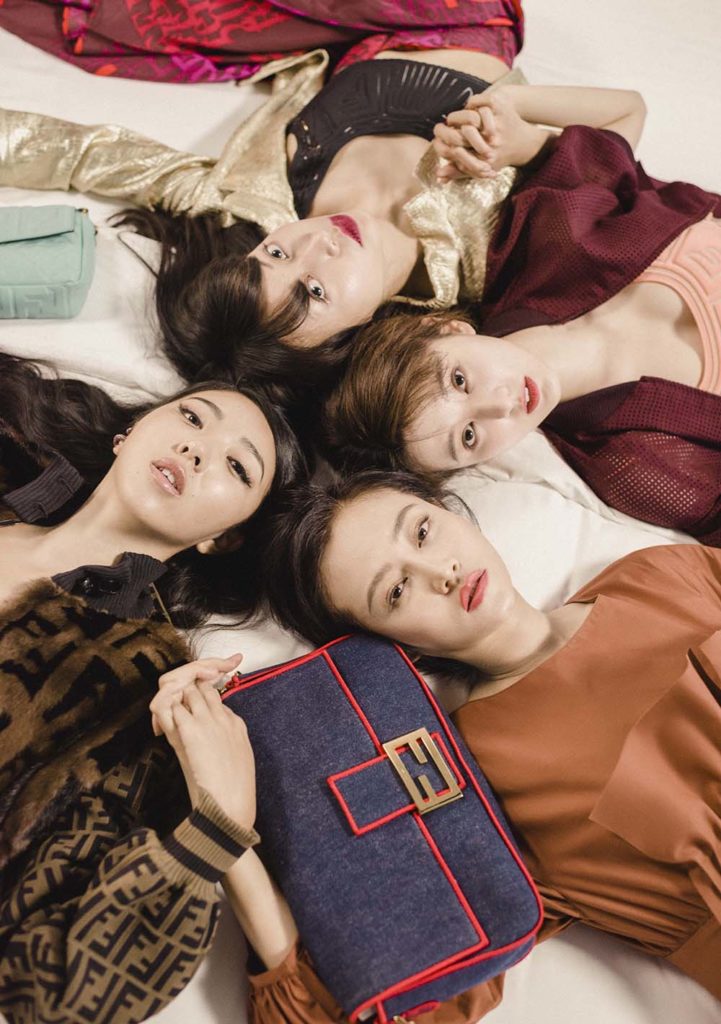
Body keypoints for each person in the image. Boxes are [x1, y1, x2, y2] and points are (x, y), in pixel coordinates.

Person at [225, 468, 721, 1022]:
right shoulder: (467, 780)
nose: (441, 572)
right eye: (395, 591)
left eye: (422, 532)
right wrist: (224, 830)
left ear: (450, 510)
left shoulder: (659, 574)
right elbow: (386, 1003)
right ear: (389, 646)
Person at [0, 64, 653, 390]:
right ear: (355, 335)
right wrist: (525, 129)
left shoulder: (244, 205)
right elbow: (627, 114)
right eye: (314, 291)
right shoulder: (486, 257)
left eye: (275, 256)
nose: (315, 244)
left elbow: (85, 153)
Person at [0, 352, 305, 1024]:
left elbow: (56, 994)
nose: (198, 450)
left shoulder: (138, 689)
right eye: (192, 418)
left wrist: (216, 829)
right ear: (128, 433)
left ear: (223, 539)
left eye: (237, 467)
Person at [320, 225, 721, 544]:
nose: (500, 406)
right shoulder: (638, 466)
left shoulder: (537, 236)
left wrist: (522, 144)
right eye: (469, 436)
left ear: (444, 327)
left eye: (459, 381)